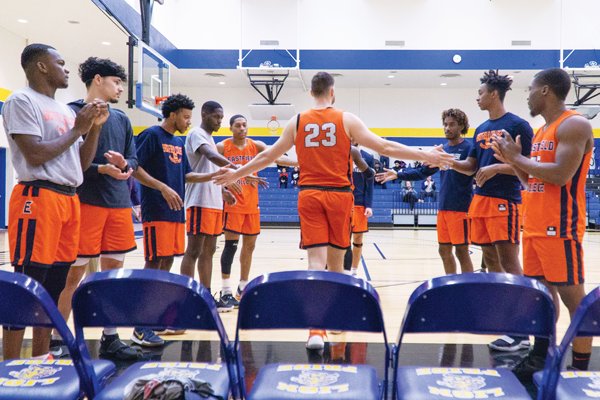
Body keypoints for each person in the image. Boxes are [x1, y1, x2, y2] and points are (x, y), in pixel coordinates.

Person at [213, 71, 454, 350]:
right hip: (339, 196)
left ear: (312, 92)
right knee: (337, 265)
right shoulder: (346, 119)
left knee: (315, 264)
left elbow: (268, 156)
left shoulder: (298, 120)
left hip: (309, 195)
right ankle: (336, 318)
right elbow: (385, 146)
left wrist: (235, 174)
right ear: (332, 91)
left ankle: (316, 331)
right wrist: (427, 155)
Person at [2, 43, 108, 360]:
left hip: (68, 199)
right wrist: (78, 127)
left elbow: (83, 164)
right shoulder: (21, 100)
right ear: (41, 67)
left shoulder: (64, 110)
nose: (65, 68)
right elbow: (34, 154)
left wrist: (93, 131)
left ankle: (40, 359)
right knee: (28, 285)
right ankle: (9, 366)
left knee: (55, 285)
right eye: (59, 63)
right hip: (38, 197)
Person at [492, 68, 594, 378]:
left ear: (546, 90)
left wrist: (517, 159)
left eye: (531, 88)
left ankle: (580, 371)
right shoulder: (541, 132)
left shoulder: (574, 124)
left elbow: (561, 176)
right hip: (534, 227)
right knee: (541, 300)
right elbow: (532, 180)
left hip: (560, 229)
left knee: (574, 303)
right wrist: (514, 161)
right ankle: (540, 358)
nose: (528, 94)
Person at [52, 57, 138, 360]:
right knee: (71, 277)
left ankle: (111, 337)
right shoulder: (72, 112)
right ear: (98, 79)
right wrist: (102, 169)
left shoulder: (122, 119)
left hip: (118, 205)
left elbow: (133, 158)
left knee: (112, 276)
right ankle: (57, 337)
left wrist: (125, 165)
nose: (120, 89)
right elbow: (68, 163)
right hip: (85, 203)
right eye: (117, 82)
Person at [132, 94, 232, 345]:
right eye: (186, 117)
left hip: (176, 212)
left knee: (166, 262)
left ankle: (156, 318)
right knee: (154, 262)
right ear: (173, 114)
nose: (189, 121)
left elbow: (187, 174)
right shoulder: (151, 135)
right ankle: (140, 325)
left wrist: (214, 176)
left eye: (190, 117)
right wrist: (161, 187)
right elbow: (135, 168)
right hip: (157, 209)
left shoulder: (177, 142)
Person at [451, 69, 534, 352]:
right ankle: (505, 321)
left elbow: (530, 168)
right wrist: (447, 161)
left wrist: (497, 167)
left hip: (505, 201)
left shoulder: (518, 125)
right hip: (481, 201)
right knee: (489, 259)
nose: (477, 97)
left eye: (480, 93)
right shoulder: (479, 129)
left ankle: (522, 330)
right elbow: (472, 167)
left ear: (493, 94)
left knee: (510, 263)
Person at [377, 108, 475, 275]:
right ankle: (450, 284)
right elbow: (421, 172)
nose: (447, 128)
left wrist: (451, 161)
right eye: (445, 124)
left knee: (461, 252)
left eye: (451, 124)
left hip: (461, 208)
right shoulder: (441, 150)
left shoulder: (469, 148)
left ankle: (468, 288)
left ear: (461, 126)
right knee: (444, 251)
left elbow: (472, 169)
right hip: (443, 208)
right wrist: (397, 174)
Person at [217, 114, 296, 305]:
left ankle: (242, 287)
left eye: (245, 125)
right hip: (233, 203)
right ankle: (225, 289)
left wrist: (302, 162)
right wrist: (222, 191)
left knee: (250, 246)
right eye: (238, 125)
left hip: (252, 204)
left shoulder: (257, 145)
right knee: (231, 247)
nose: (242, 128)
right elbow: (212, 173)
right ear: (231, 128)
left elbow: (279, 158)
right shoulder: (222, 147)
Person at [179, 101, 240, 313]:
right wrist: (239, 170)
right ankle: (186, 297)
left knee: (209, 251)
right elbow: (212, 157)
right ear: (204, 115)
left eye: (222, 118)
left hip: (213, 202)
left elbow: (210, 168)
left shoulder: (211, 139)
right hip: (198, 201)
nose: (220, 121)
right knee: (194, 249)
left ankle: (205, 295)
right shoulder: (197, 133)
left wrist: (222, 191)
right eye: (217, 117)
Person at [343, 140, 374, 277]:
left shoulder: (368, 157)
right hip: (343, 200)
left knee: (358, 239)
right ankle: (343, 270)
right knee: (342, 239)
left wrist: (368, 205)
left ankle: (354, 272)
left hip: (360, 202)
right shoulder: (341, 152)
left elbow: (370, 183)